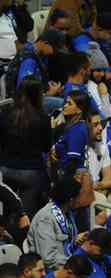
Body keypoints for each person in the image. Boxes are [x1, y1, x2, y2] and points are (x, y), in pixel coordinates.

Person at [0, 78, 52, 218]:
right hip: (31, 172)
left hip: (6, 169)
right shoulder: (43, 118)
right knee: (25, 215)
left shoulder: (5, 115)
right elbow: (46, 147)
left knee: (6, 211)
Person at [6, 29, 66, 100]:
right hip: (24, 104)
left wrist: (49, 85)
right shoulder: (28, 60)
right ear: (45, 43)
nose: (52, 53)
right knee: (62, 103)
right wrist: (49, 94)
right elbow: (25, 93)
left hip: (37, 97)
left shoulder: (40, 55)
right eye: (54, 49)